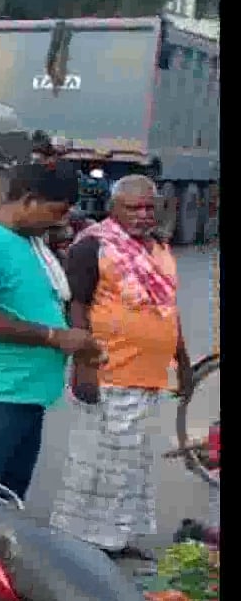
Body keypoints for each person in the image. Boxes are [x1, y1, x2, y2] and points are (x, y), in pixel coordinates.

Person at [48, 175, 192, 559]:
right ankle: (80, 544)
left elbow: (168, 310)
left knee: (131, 465)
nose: (143, 215)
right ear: (114, 208)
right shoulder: (92, 247)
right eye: (133, 208)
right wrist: (84, 366)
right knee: (94, 463)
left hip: (148, 376)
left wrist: (183, 363)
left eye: (148, 207)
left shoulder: (159, 248)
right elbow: (76, 307)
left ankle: (116, 538)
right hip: (108, 371)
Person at [0, 161, 103, 499]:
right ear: (29, 200)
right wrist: (54, 337)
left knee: (6, 501)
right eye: (56, 211)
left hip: (26, 396)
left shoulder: (30, 243)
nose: (60, 221)